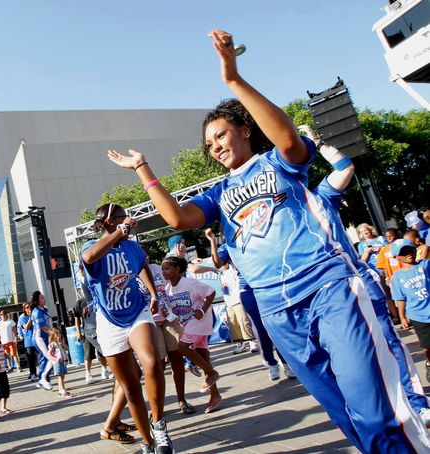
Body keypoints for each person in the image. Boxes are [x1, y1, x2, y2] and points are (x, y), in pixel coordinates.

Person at [106, 28, 429, 452]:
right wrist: (143, 169)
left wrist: (233, 80)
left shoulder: (279, 163)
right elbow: (177, 217)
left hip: (328, 287)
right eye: (209, 143)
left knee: (373, 405)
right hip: (277, 309)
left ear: (244, 128)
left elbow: (289, 139)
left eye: (220, 134)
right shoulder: (218, 195)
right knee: (343, 412)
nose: (215, 145)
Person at [300, 123, 430, 425]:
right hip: (316, 294)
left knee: (387, 342)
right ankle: (376, 411)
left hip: (353, 281)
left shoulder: (318, 196)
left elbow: (345, 167)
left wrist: (318, 144)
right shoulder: (271, 213)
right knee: (345, 360)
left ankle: (415, 403)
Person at [81, 203, 173, 454]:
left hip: (136, 312)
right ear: (109, 222)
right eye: (123, 217)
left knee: (152, 362)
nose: (130, 221)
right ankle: (147, 442)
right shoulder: (90, 246)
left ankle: (159, 425)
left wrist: (153, 292)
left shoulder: (132, 247)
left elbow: (142, 264)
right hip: (109, 320)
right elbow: (89, 259)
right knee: (131, 388)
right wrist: (119, 232)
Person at [205, 229, 294, 381]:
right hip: (247, 288)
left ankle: (286, 362)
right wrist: (212, 241)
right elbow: (218, 263)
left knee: (276, 324)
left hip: (268, 283)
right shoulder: (227, 247)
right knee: (259, 327)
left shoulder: (258, 236)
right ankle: (270, 362)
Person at [161, 256, 222, 413]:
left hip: (200, 320)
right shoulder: (167, 288)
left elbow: (211, 292)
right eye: (162, 268)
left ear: (178, 270)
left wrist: (202, 310)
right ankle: (215, 395)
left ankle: (210, 373)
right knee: (202, 355)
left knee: (182, 346)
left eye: (167, 268)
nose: (164, 271)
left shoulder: (188, 283)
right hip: (188, 323)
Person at [391, 239, 430, 384]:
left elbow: (425, 246)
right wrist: (402, 317)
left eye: (410, 250)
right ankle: (429, 363)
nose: (408, 254)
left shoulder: (424, 265)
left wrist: (418, 249)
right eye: (403, 252)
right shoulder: (397, 277)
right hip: (417, 315)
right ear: (396, 257)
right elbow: (400, 299)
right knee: (427, 346)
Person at [73, 266, 114, 384]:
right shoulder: (80, 302)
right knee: (88, 353)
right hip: (88, 328)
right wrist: (78, 331)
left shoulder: (98, 297)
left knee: (102, 351)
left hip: (99, 325)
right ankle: (88, 373)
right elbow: (76, 317)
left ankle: (104, 370)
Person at [30, 291, 54, 390]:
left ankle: (42, 380)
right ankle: (43, 378)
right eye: (42, 298)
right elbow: (43, 327)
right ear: (37, 301)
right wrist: (54, 334)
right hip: (39, 338)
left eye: (44, 297)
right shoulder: (37, 311)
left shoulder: (43, 309)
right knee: (52, 358)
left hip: (44, 338)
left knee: (45, 359)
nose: (44, 299)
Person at [48, 327, 71, 397]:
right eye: (56, 333)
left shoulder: (60, 342)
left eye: (59, 333)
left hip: (63, 362)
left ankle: (61, 390)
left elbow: (67, 348)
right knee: (60, 377)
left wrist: (61, 342)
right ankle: (62, 391)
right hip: (57, 363)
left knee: (62, 376)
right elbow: (49, 354)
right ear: (52, 336)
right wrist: (55, 359)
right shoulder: (52, 344)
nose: (59, 335)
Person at [17, 302, 38, 381]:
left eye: (29, 307)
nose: (28, 308)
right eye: (26, 307)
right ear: (24, 309)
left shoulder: (36, 314)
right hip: (29, 340)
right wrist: (31, 318)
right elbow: (26, 327)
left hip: (37, 339)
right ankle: (33, 373)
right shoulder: (22, 317)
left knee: (43, 355)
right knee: (31, 359)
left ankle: (46, 371)